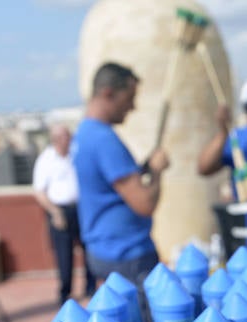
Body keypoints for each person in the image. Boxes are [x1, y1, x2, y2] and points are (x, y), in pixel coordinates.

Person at [71, 62, 170, 288]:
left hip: (103, 249)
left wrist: (141, 170)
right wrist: (156, 170)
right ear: (108, 93)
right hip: (127, 254)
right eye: (129, 98)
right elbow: (144, 203)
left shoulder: (84, 133)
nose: (132, 107)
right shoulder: (104, 140)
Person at [33, 124, 96, 306]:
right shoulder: (46, 160)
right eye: (64, 137)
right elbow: (39, 191)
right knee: (64, 254)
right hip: (59, 210)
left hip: (81, 208)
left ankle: (91, 288)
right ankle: (65, 293)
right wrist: (55, 212)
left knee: (88, 250)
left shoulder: (75, 155)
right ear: (56, 140)